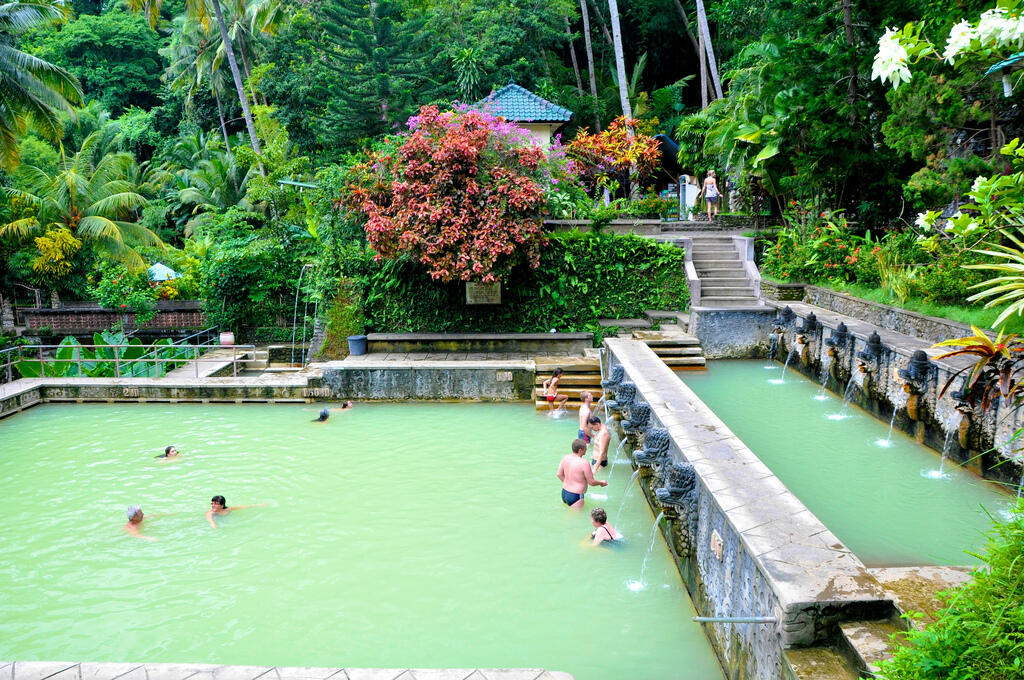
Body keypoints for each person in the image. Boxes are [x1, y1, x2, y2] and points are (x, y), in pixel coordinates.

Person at [557, 439, 607, 509]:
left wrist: (570, 483)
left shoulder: (565, 458)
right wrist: (601, 483)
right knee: (575, 519)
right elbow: (591, 482)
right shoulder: (584, 463)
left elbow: (559, 474)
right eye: (585, 449)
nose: (586, 450)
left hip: (564, 492)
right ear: (580, 450)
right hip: (576, 495)